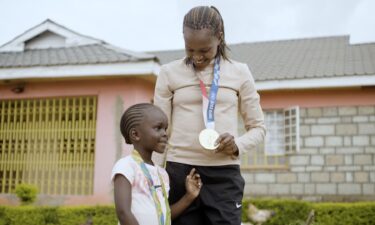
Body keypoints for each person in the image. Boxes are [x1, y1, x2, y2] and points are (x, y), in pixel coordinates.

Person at [153, 6, 266, 225]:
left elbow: (258, 128)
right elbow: (159, 131)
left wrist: (236, 146)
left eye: (204, 50)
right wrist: (154, 175)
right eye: (190, 49)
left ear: (219, 37)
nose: (196, 57)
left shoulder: (240, 72)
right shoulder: (168, 73)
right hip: (180, 172)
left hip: (224, 175)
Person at [112, 103, 202, 225]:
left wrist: (189, 196)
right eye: (158, 128)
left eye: (165, 129)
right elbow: (123, 212)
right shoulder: (126, 166)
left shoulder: (162, 173)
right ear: (135, 134)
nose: (165, 133)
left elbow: (165, 214)